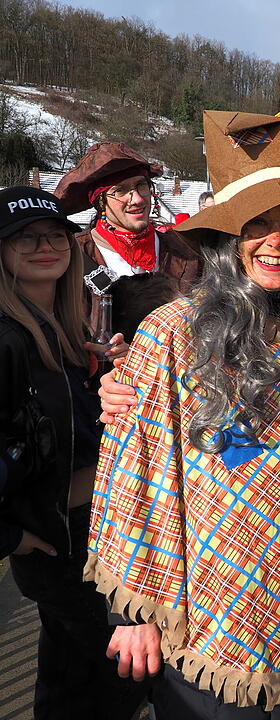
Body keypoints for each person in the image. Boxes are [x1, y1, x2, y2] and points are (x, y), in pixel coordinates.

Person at [86, 111, 280, 718]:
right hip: (212, 624)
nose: (276, 242)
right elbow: (134, 471)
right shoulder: (174, 331)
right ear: (225, 242)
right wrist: (135, 611)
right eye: (256, 226)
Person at [0, 186, 146, 718]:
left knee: (69, 682)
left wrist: (110, 373)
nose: (45, 246)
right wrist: (10, 534)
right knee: (125, 677)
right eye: (24, 238)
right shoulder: (7, 339)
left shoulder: (64, 333)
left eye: (56, 234)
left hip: (90, 531)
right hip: (59, 547)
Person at [55, 142, 200, 334]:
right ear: (100, 202)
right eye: (120, 190)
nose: (138, 199)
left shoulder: (186, 252)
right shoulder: (71, 258)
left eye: (141, 185)